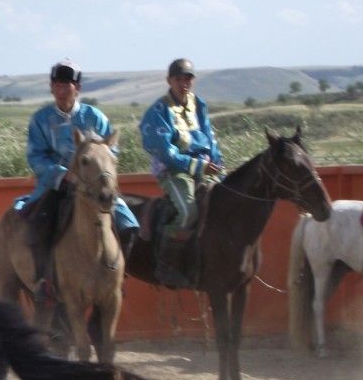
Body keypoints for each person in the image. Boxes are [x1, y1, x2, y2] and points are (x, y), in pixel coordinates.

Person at [16, 59, 140, 304]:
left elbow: (111, 152)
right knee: (38, 225)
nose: (62, 90)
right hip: (56, 185)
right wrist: (64, 174)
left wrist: (97, 172)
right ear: (51, 88)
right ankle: (45, 281)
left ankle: (117, 277)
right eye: (58, 85)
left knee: (129, 225)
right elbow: (35, 156)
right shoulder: (41, 120)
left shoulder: (95, 117)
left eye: (68, 85)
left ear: (78, 88)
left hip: (95, 187)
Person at [139, 58, 224, 287]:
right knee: (188, 211)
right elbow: (165, 151)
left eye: (188, 78)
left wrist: (219, 166)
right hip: (173, 170)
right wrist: (196, 166)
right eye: (178, 79)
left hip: (205, 168)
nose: (183, 83)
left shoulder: (199, 106)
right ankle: (167, 265)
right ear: (169, 81)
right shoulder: (158, 111)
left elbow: (211, 140)